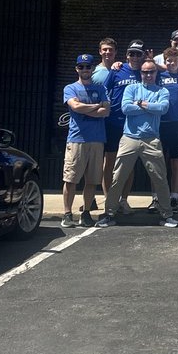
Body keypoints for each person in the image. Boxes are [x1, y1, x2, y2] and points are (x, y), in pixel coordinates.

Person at [96, 59, 178, 228]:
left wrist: (140, 104)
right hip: (129, 138)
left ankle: (167, 215)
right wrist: (150, 106)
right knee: (118, 177)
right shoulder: (131, 88)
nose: (148, 75)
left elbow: (163, 108)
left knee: (160, 178)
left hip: (152, 140)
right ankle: (109, 214)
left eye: (151, 72)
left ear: (156, 73)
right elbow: (125, 108)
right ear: (140, 73)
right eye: (145, 72)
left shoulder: (162, 90)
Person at [61, 54, 110, 229]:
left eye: (87, 67)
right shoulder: (70, 88)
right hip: (77, 139)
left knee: (92, 180)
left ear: (92, 69)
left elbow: (106, 112)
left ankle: (86, 213)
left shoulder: (101, 88)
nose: (84, 70)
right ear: (76, 69)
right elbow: (75, 107)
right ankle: (67, 214)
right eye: (81, 67)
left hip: (97, 140)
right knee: (71, 178)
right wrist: (96, 106)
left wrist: (85, 109)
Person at [104, 40, 146, 212]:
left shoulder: (146, 72)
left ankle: (123, 200)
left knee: (129, 163)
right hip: (114, 121)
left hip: (133, 124)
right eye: (132, 53)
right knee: (110, 162)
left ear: (143, 56)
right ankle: (109, 200)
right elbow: (105, 91)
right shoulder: (117, 70)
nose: (135, 57)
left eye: (138, 54)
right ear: (127, 55)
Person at [157, 46, 178, 209]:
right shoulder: (158, 76)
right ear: (164, 62)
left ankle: (175, 197)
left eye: (175, 60)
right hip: (160, 124)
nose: (171, 63)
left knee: (177, 162)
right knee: (159, 162)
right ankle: (157, 197)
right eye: (168, 60)